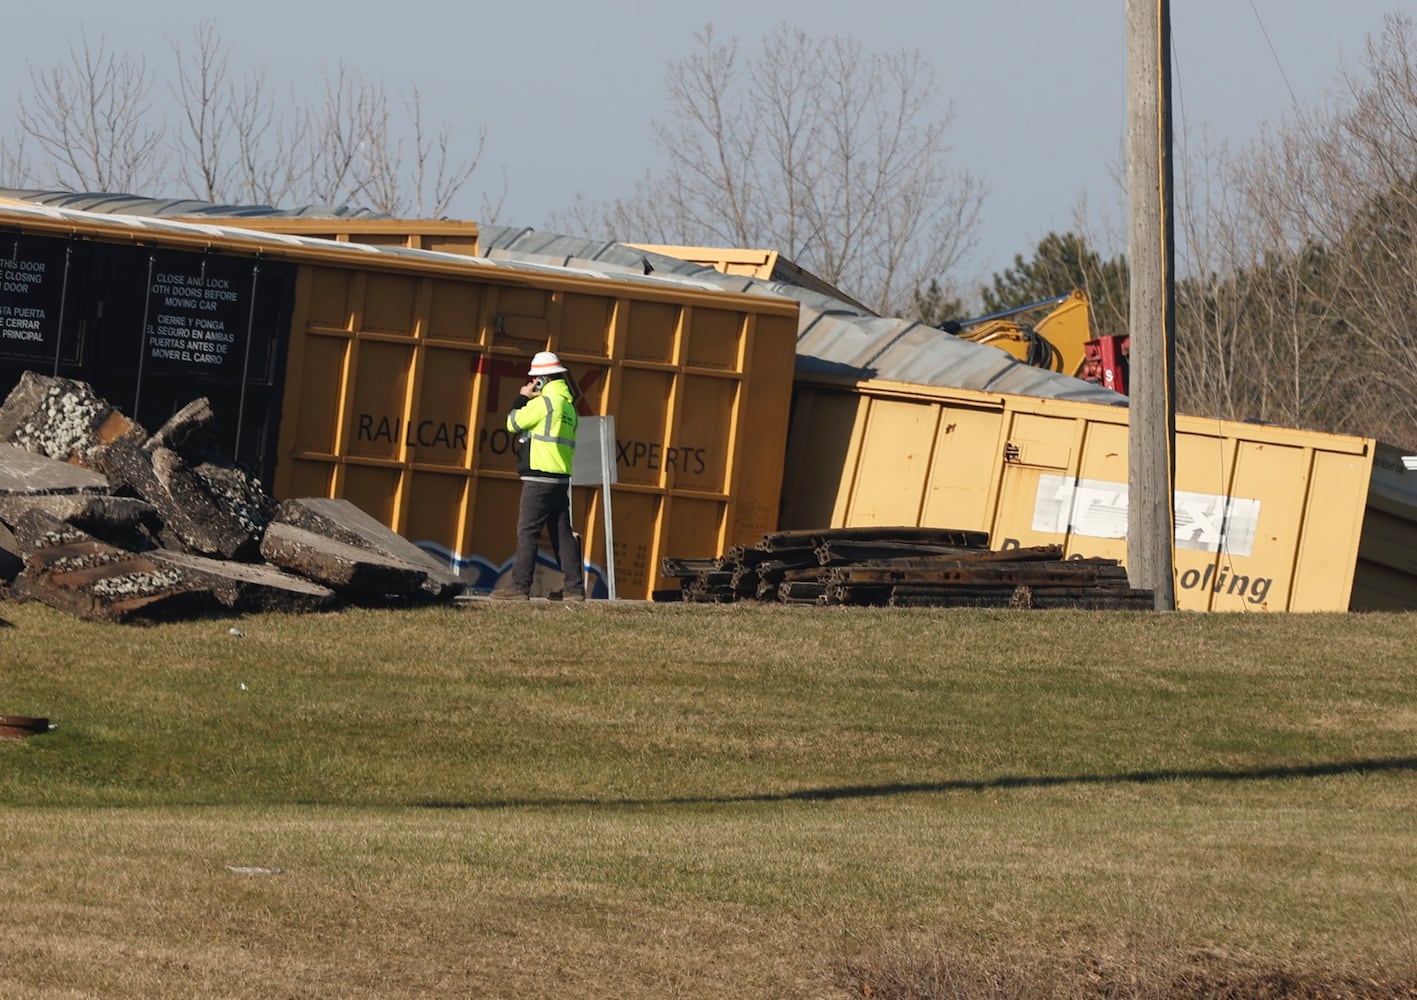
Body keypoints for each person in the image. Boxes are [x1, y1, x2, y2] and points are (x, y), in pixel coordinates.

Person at [491, 351, 587, 601]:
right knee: (562, 533)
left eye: (536, 379)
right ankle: (574, 589)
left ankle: (520, 586)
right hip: (561, 479)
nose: (533, 382)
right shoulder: (569, 407)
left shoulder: (543, 404)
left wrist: (522, 398)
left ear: (543, 379)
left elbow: (512, 423)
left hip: (538, 478)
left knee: (528, 532)